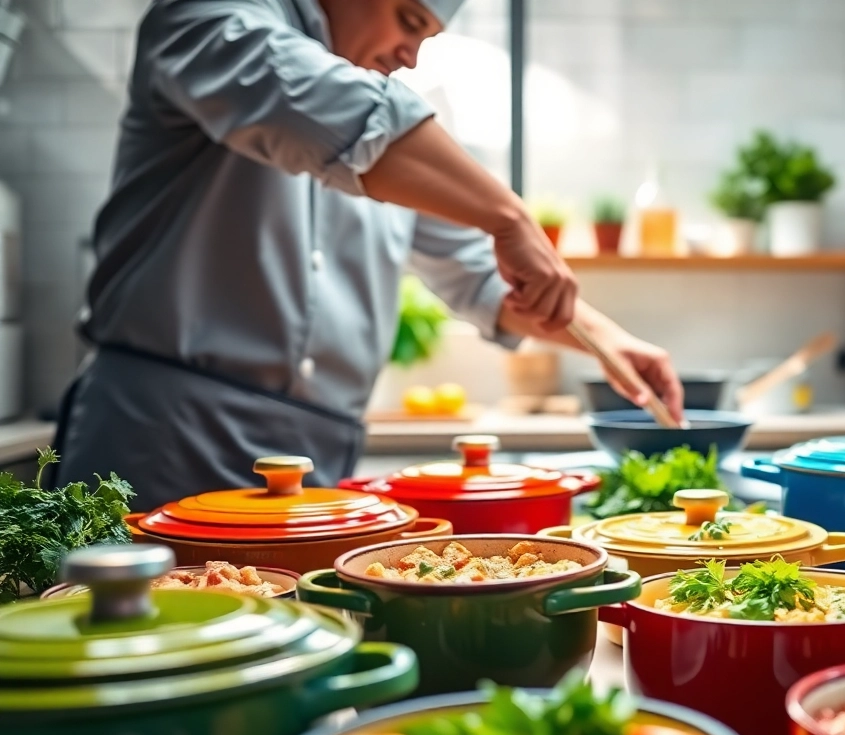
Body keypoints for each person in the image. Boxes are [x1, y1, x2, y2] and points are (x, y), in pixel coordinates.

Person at [50, 0, 684, 510]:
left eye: (428, 34)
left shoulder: (396, 146)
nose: (411, 53)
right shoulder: (207, 20)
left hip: (313, 460)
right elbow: (335, 110)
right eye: (409, 20)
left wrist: (609, 342)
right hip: (163, 440)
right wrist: (510, 214)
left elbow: (483, 272)